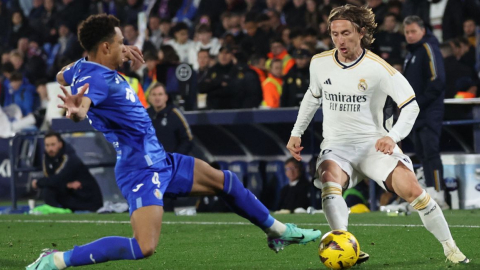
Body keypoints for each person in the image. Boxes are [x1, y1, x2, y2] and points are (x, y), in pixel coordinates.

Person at [27, 14, 321, 270]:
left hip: (160, 159)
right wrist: (78, 112)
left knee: (225, 181)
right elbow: (83, 106)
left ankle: (279, 231)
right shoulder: (99, 81)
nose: (125, 46)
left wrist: (110, 56)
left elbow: (60, 75)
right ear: (105, 47)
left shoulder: (81, 68)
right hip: (140, 169)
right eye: (120, 42)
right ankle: (58, 259)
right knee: (144, 247)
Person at [286, 4, 469, 266]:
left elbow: (411, 105)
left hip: (375, 146)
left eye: (346, 33)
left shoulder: (379, 68)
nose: (340, 40)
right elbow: (312, 97)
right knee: (329, 181)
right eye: (335, 34)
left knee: (415, 191)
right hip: (337, 146)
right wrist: (296, 132)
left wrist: (392, 136)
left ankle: (451, 248)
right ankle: (345, 242)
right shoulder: (319, 63)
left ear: (360, 32)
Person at [403, 16, 448, 209]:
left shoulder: (428, 48)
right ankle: (430, 194)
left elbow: (437, 80)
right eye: (407, 32)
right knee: (422, 154)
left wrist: (417, 103)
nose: (410, 36)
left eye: (413, 31)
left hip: (429, 111)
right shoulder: (411, 54)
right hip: (416, 113)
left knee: (431, 152)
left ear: (422, 30)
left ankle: (439, 195)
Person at [31, 131, 103, 212]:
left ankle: (57, 211)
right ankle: (55, 212)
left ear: (60, 144)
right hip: (69, 192)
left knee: (49, 188)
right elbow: (51, 178)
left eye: (53, 145)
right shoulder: (47, 156)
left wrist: (37, 183)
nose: (50, 148)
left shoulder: (70, 158)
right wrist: (65, 185)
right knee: (49, 189)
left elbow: (57, 179)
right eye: (47, 145)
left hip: (85, 196)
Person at [147, 83, 193, 155]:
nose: (157, 98)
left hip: (172, 163)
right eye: (154, 94)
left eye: (160, 94)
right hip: (152, 162)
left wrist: (175, 158)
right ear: (149, 98)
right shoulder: (145, 114)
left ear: (166, 97)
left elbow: (188, 139)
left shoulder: (175, 114)